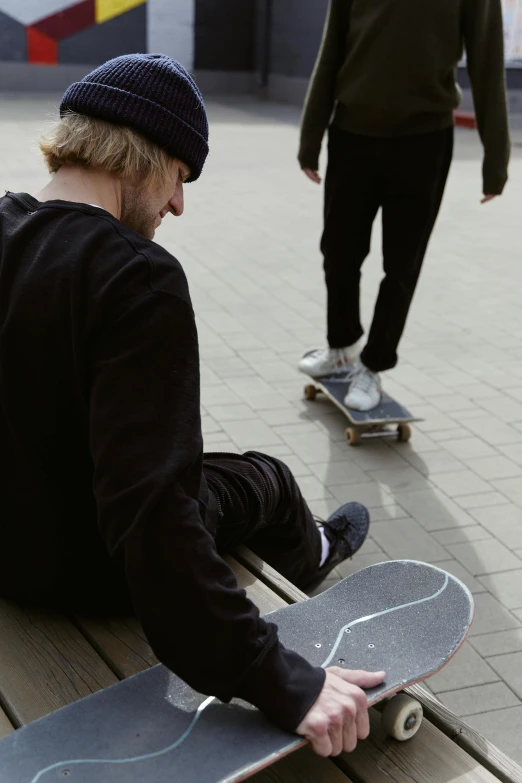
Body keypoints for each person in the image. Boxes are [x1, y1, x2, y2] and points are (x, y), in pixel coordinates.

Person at [0, 54, 385, 758]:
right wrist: (280, 678)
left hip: (8, 555)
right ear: (144, 155)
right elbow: (152, 516)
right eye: (180, 177)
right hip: (102, 573)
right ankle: (317, 550)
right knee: (262, 475)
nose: (178, 205)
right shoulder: (135, 275)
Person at [297, 0, 510, 411]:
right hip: (351, 132)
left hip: (424, 142)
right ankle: (341, 346)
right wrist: (311, 137)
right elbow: (332, 50)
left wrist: (496, 159)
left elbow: (487, 63)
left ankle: (373, 366)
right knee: (339, 252)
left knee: (401, 265)